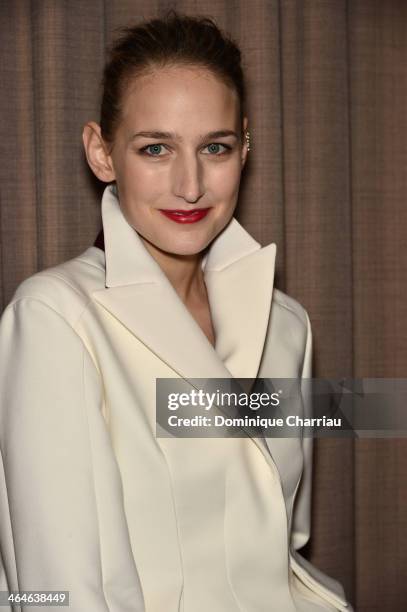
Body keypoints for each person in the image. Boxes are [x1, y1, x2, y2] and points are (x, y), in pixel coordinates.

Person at [0, 11, 353, 612]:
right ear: (102, 152)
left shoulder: (287, 324)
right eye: (156, 148)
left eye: (214, 147)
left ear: (245, 145)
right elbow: (52, 591)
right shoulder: (55, 317)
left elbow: (283, 538)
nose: (190, 185)